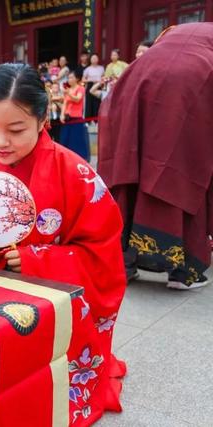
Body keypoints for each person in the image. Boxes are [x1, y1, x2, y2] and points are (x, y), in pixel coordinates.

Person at [0, 63, 127, 426]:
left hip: (42, 300)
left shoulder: (75, 174)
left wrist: (38, 259)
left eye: (16, 130)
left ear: (43, 119)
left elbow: (102, 256)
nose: (0, 142)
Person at [98, 23, 213, 290]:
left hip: (138, 77)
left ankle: (123, 263)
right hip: (192, 81)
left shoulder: (177, 31)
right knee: (184, 167)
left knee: (133, 167)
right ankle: (183, 272)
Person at [60, 70, 90, 161]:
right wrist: (62, 115)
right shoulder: (68, 90)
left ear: (76, 78)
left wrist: (68, 93)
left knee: (77, 140)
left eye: (71, 77)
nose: (69, 79)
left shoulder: (80, 88)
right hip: (67, 118)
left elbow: (77, 99)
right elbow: (65, 103)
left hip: (76, 118)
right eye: (68, 78)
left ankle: (79, 159)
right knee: (65, 139)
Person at [83, 54, 105, 119]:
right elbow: (83, 79)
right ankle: (88, 120)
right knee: (89, 103)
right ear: (90, 60)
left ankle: (97, 119)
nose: (94, 59)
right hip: (90, 85)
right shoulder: (87, 69)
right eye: (93, 58)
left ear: (98, 59)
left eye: (96, 58)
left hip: (98, 86)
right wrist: (91, 80)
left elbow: (103, 77)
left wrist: (101, 80)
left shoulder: (101, 68)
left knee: (97, 103)